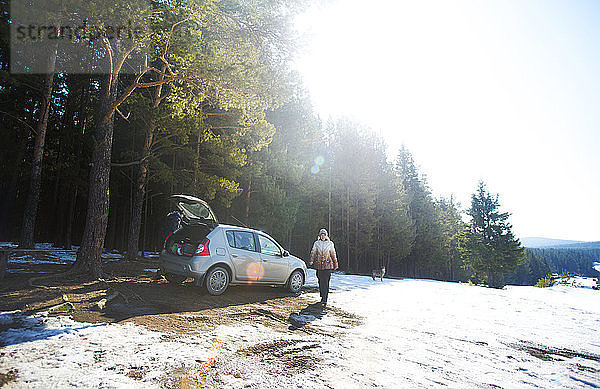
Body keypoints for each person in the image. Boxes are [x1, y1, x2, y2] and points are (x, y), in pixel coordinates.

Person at [309, 228, 338, 307]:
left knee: (326, 282)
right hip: (319, 266)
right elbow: (313, 252)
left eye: (324, 235)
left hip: (327, 265)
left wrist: (335, 263)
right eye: (321, 235)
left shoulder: (330, 243)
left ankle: (325, 299)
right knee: (320, 281)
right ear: (319, 235)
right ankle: (322, 296)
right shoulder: (316, 243)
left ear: (326, 236)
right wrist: (311, 260)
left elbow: (333, 254)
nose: (323, 236)